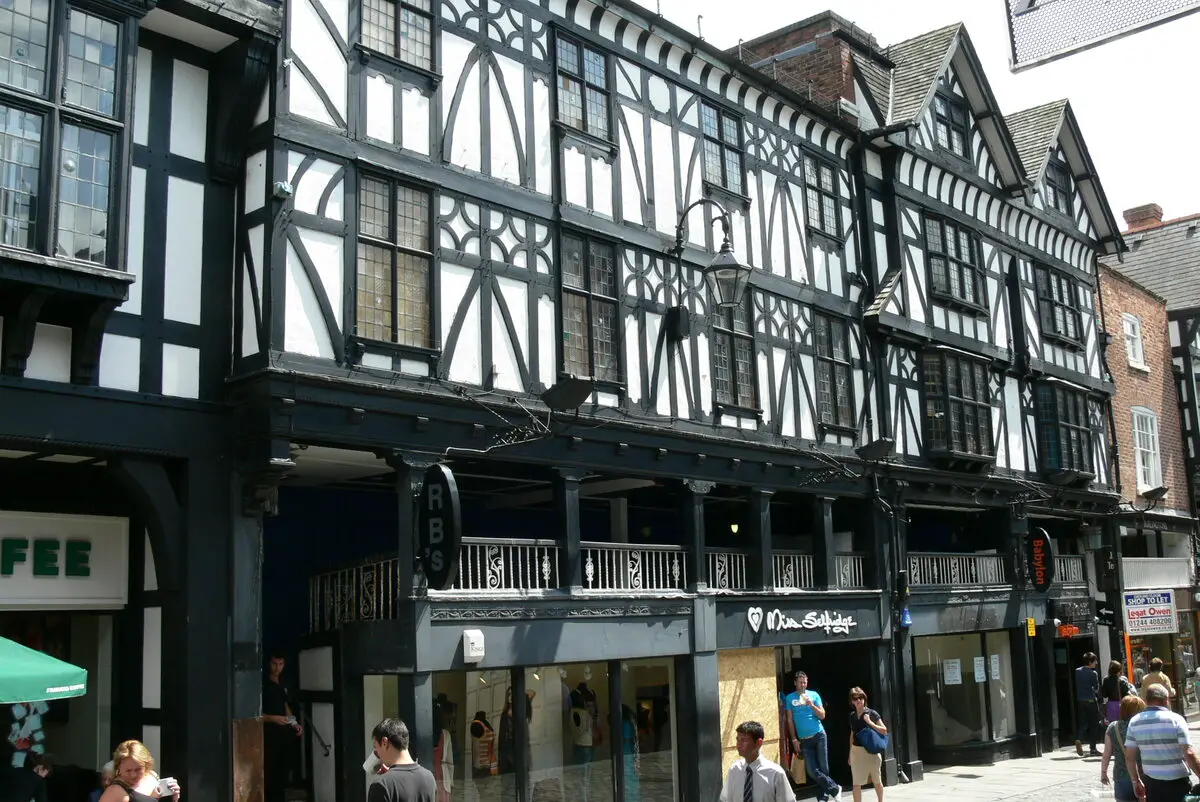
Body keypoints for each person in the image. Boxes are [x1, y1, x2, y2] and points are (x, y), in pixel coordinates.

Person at [1124, 684, 1200, 802]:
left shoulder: (1134, 722)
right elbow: (1189, 753)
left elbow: (1129, 757)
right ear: (1166, 700)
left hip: (1152, 784)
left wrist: (1136, 781)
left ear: (1146, 700)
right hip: (1178, 784)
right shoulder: (1176, 719)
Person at [784, 671, 841, 802]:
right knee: (811, 770)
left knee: (823, 768)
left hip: (819, 735)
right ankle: (835, 788)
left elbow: (822, 715)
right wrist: (794, 739)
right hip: (804, 740)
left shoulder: (814, 695)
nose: (803, 685)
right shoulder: (789, 698)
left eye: (805, 682)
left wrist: (812, 705)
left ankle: (823, 797)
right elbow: (789, 720)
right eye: (800, 682)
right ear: (795, 683)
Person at [720, 721, 796, 802]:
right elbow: (726, 799)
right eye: (738, 740)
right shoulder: (735, 770)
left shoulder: (775, 773)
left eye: (744, 740)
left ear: (759, 743)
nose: (738, 745)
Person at [261, 650, 302, 802]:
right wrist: (273, 718)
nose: (277, 668)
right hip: (268, 735)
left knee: (282, 773)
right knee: (269, 774)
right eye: (274, 664)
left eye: (280, 664)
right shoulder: (263, 686)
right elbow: (254, 714)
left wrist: (294, 723)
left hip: (283, 736)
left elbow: (285, 705)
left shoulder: (283, 684)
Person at [368, 718, 436, 802]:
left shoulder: (380, 785)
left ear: (384, 742)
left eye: (376, 747)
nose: (377, 753)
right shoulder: (428, 777)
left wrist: (387, 778)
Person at [1101, 694, 1147, 801]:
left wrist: (1103, 772)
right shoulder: (1141, 726)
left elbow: (1106, 755)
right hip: (1142, 775)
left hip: (1121, 776)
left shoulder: (1113, 727)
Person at [100, 740, 181, 802]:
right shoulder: (115, 791)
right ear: (119, 768)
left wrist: (174, 797)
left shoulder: (152, 776)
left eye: (138, 769)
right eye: (128, 770)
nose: (133, 775)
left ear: (146, 765)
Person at [846, 688, 886, 802]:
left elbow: (884, 730)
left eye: (861, 697)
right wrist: (850, 753)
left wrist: (870, 722)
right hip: (856, 752)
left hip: (871, 751)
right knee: (856, 783)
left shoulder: (872, 713)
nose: (858, 700)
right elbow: (852, 735)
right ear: (852, 701)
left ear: (864, 699)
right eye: (855, 698)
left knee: (877, 780)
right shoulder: (852, 716)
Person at [1074, 652, 1102, 757]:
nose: (1096, 663)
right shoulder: (1093, 673)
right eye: (1095, 661)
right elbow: (1096, 688)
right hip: (1091, 701)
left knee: (1083, 723)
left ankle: (1079, 739)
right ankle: (1093, 748)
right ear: (1090, 662)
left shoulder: (1077, 671)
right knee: (1093, 724)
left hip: (1081, 701)